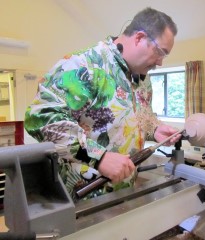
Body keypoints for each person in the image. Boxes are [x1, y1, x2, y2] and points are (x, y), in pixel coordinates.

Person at [24, 7, 181, 200]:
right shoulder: (84, 66)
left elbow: (134, 118)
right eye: (160, 52)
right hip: (82, 198)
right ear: (139, 38)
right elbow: (40, 119)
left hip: (123, 193)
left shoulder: (143, 79)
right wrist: (99, 157)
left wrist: (154, 129)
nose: (160, 63)